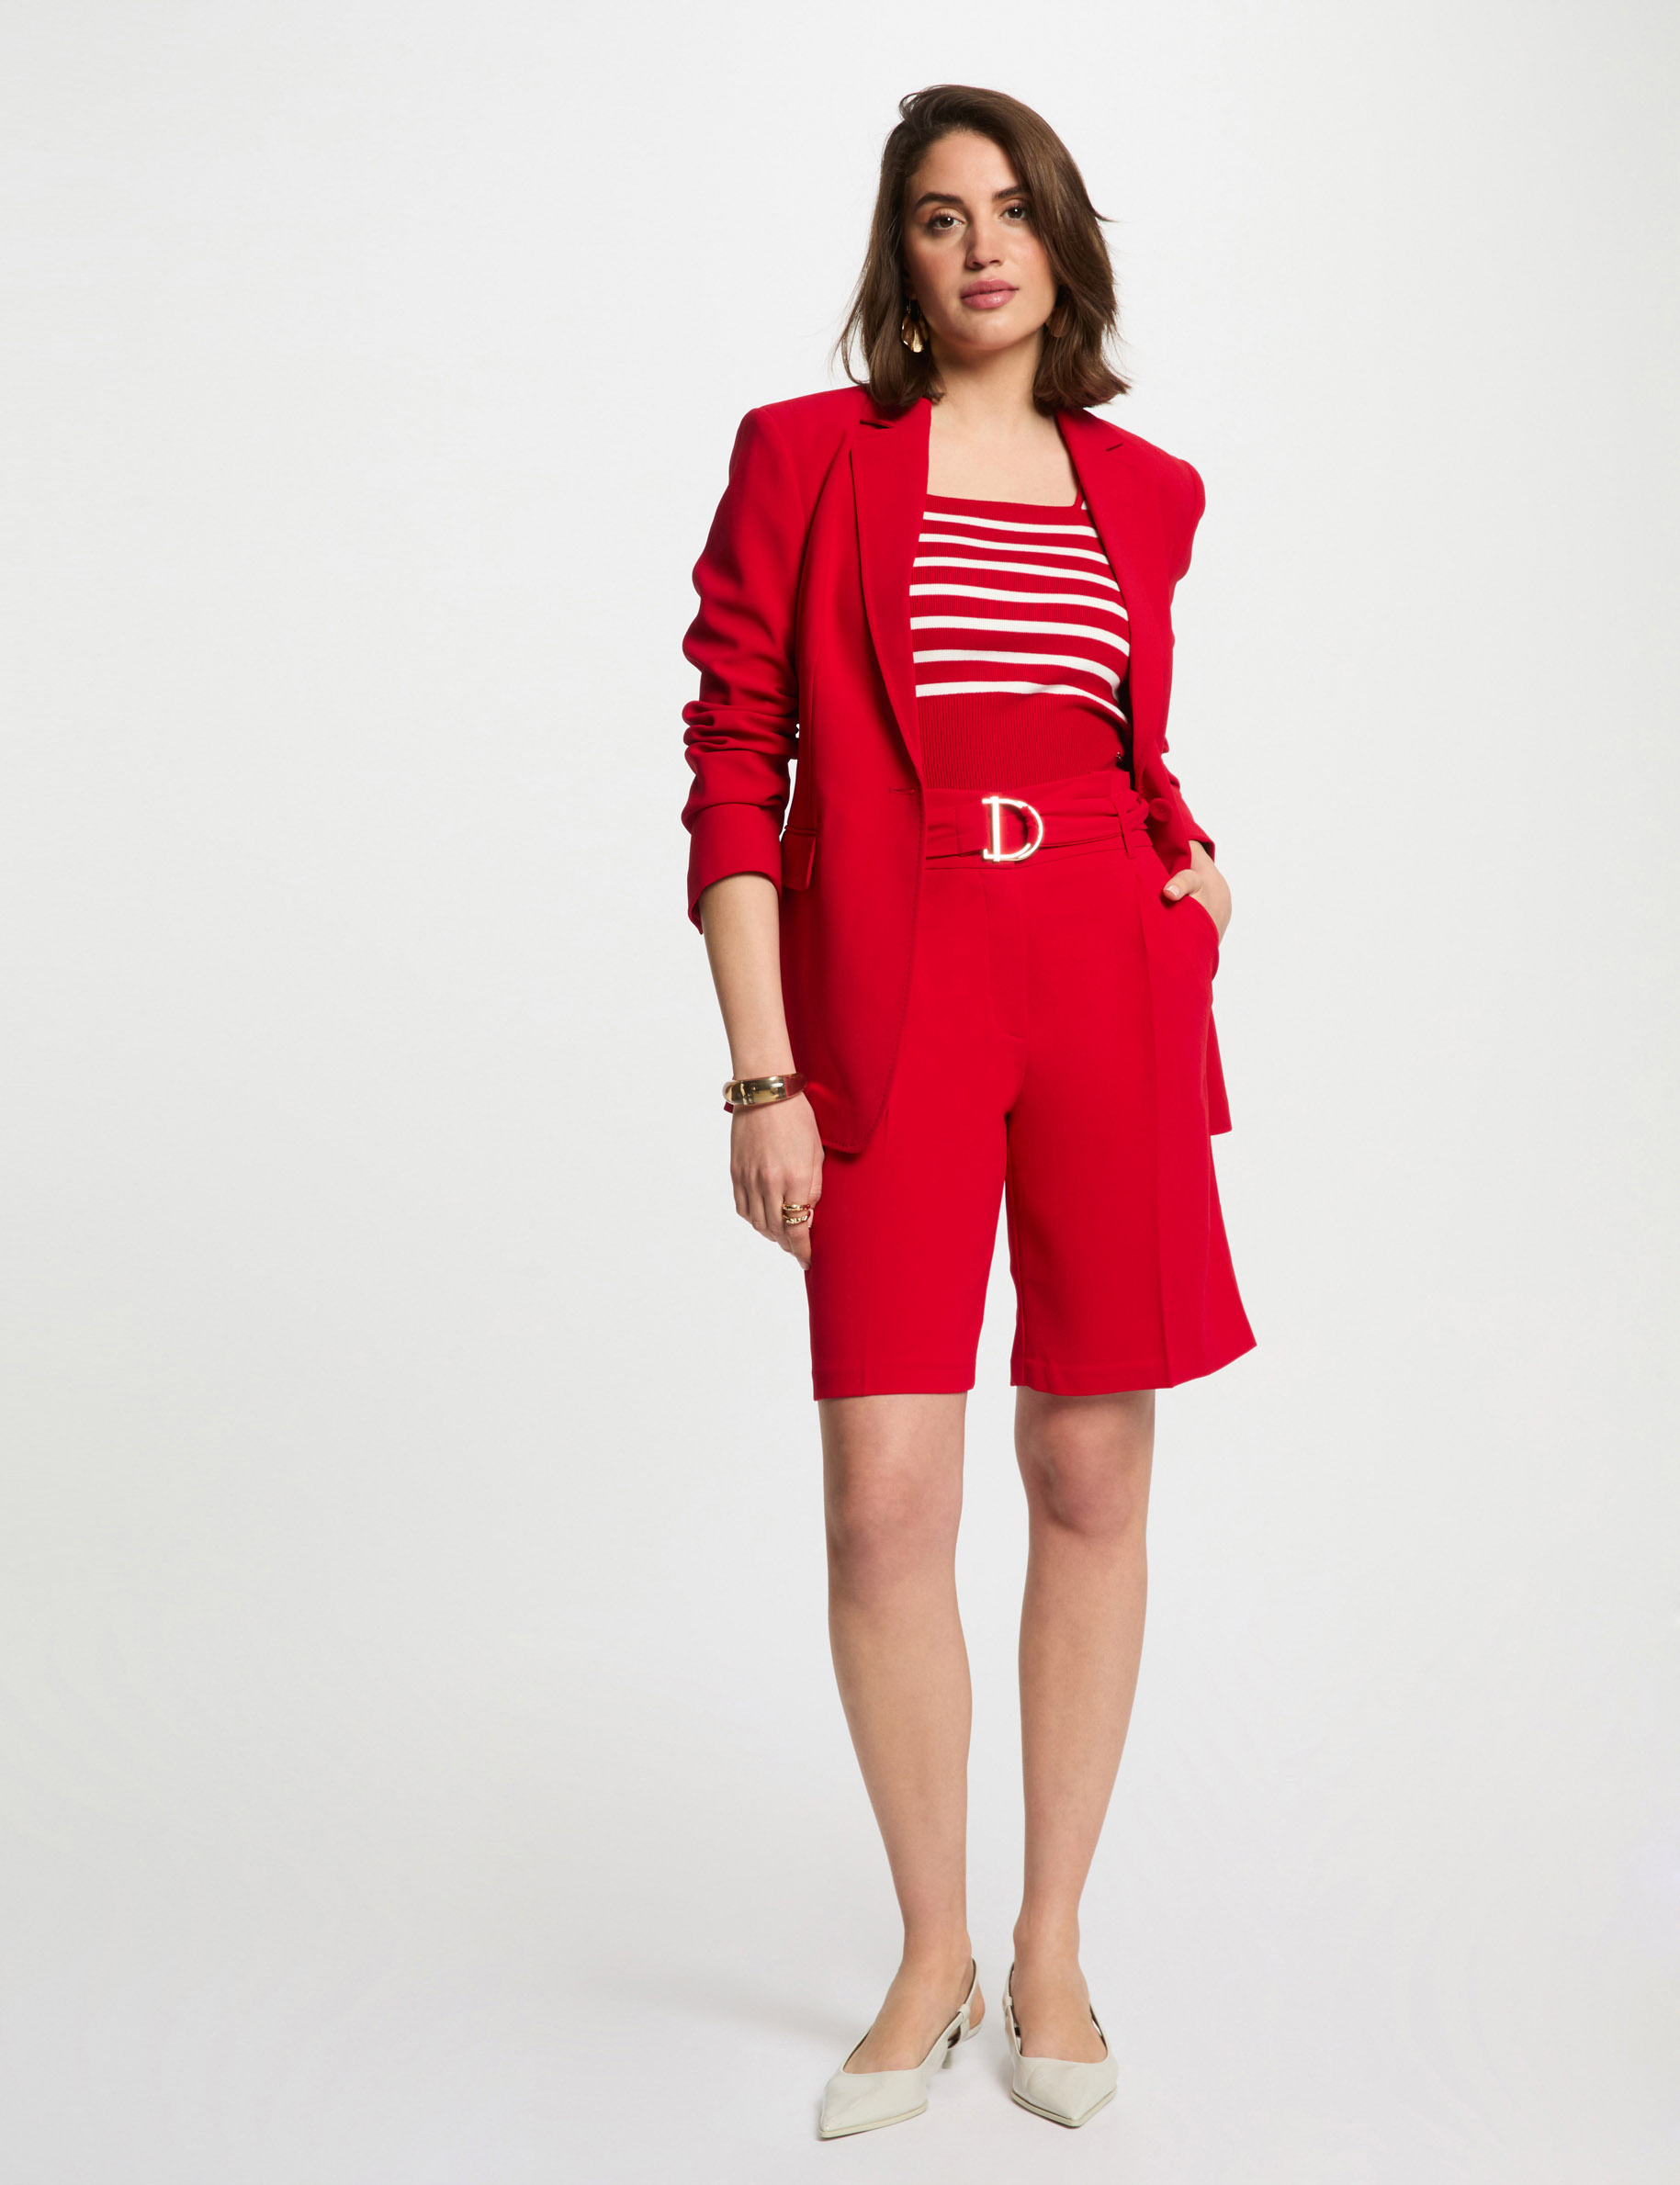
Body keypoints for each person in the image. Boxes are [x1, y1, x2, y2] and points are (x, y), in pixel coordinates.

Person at [680, 84, 1255, 2137]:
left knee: (1091, 1467)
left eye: (1012, 210)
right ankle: (929, 1954)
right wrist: (762, 1069)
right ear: (899, 259)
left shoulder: (1149, 488)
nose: (980, 245)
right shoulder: (807, 458)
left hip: (1101, 978)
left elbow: (1118, 729)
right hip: (888, 994)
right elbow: (734, 760)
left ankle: (1051, 1945)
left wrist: (1186, 864)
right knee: (886, 1496)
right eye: (938, 216)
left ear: (1061, 242)